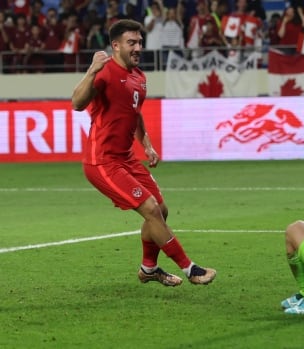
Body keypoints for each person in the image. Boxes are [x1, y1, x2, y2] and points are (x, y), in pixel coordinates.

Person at [71, 19, 216, 287]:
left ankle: (148, 268)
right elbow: (77, 103)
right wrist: (91, 71)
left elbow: (134, 115)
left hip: (126, 158)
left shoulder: (139, 77)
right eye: (131, 43)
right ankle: (190, 268)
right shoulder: (105, 72)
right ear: (115, 46)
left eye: (139, 42)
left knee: (161, 208)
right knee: (150, 209)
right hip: (101, 160)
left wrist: (146, 144)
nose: (138, 47)